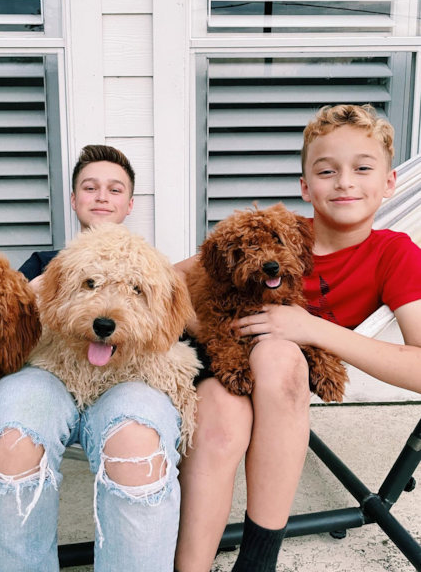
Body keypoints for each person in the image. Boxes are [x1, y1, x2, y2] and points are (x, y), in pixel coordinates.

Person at [173, 105, 421, 572]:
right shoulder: (274, 236)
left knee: (281, 356)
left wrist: (309, 328)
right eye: (327, 171)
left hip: (283, 371)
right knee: (221, 425)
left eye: (363, 168)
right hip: (216, 358)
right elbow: (168, 281)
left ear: (390, 184)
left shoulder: (395, 254)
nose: (345, 182)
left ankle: (257, 562)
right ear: (306, 186)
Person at [0, 145, 183, 572]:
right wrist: (37, 290)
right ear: (74, 199)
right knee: (11, 442)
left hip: (129, 381)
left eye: (114, 189)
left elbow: (171, 335)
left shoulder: (154, 270)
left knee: (138, 452)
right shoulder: (43, 264)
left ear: (129, 204)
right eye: (90, 187)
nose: (102, 196)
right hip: (47, 377)